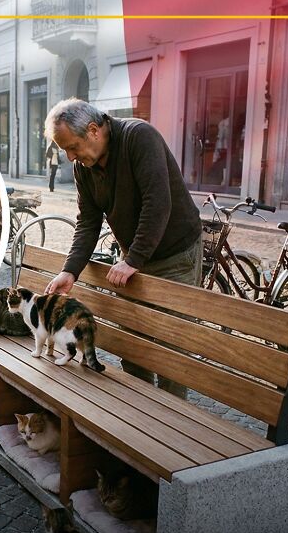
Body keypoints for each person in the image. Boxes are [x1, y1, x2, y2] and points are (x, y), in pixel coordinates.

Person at [43, 98, 203, 398]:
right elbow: (88, 222)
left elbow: (158, 204)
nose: (70, 157)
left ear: (93, 130)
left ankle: (170, 416)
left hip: (175, 254)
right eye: (64, 150)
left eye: (72, 147)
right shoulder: (84, 167)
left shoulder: (139, 137)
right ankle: (139, 406)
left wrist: (133, 259)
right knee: (134, 343)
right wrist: (70, 271)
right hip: (134, 258)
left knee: (170, 348)